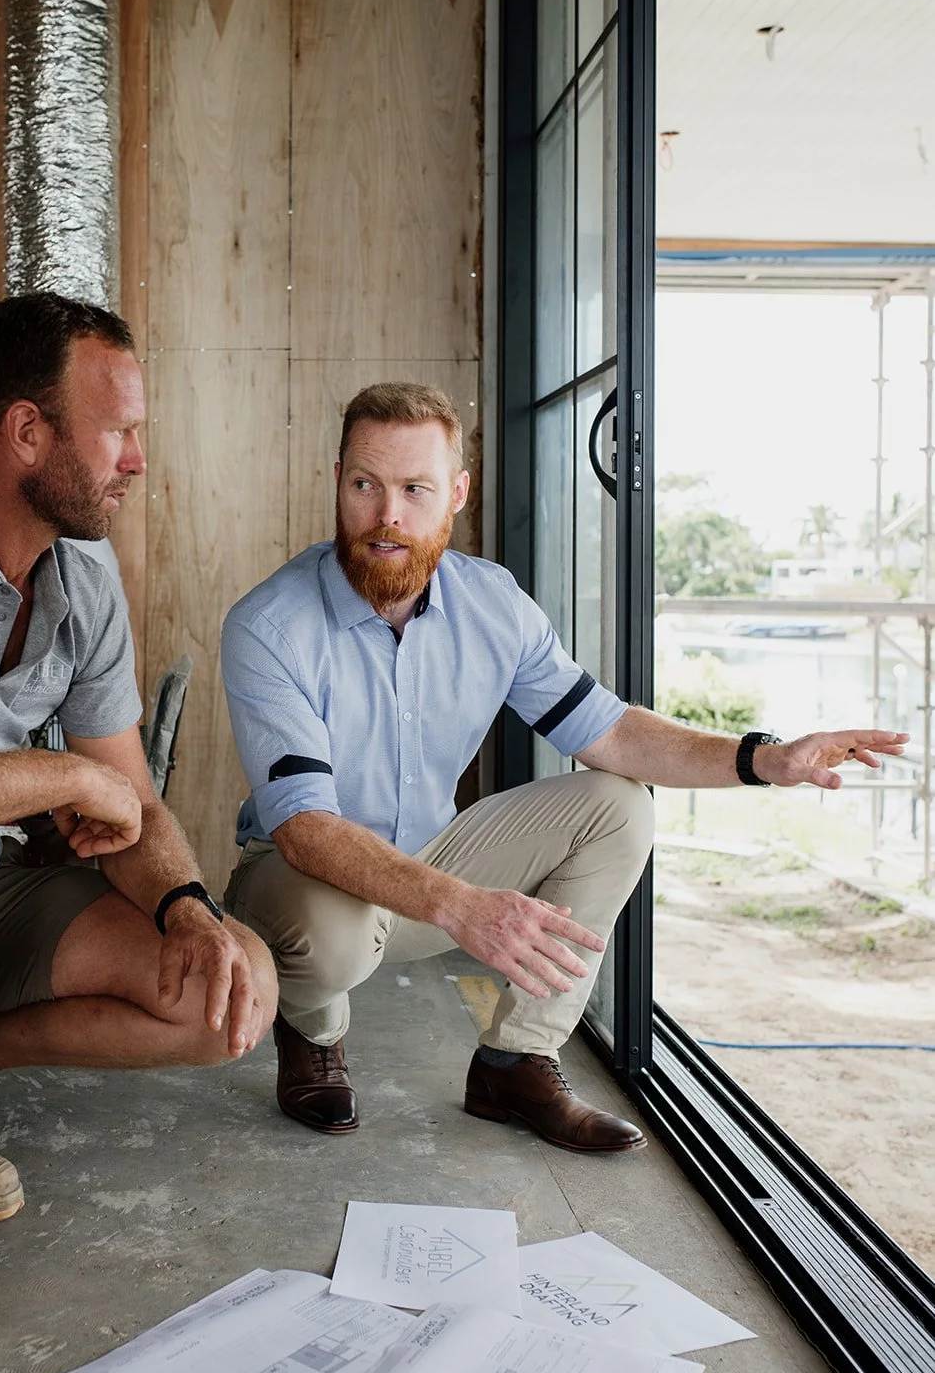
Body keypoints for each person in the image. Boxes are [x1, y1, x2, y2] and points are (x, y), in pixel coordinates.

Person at [221, 381, 906, 1152]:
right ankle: (313, 1033)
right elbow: (308, 830)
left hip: (430, 862)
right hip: (301, 879)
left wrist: (762, 759)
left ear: (456, 493)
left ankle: (516, 1061)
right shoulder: (268, 624)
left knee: (617, 803)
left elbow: (610, 733)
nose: (387, 514)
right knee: (327, 933)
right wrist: (461, 907)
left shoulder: (492, 604)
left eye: (415, 489)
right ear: (338, 481)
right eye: (364, 485)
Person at [0, 293, 277, 1366]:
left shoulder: (83, 575)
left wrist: (190, 908)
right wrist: (53, 775)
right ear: (28, 432)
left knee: (230, 986)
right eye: (120, 429)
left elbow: (127, 802)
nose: (136, 459)